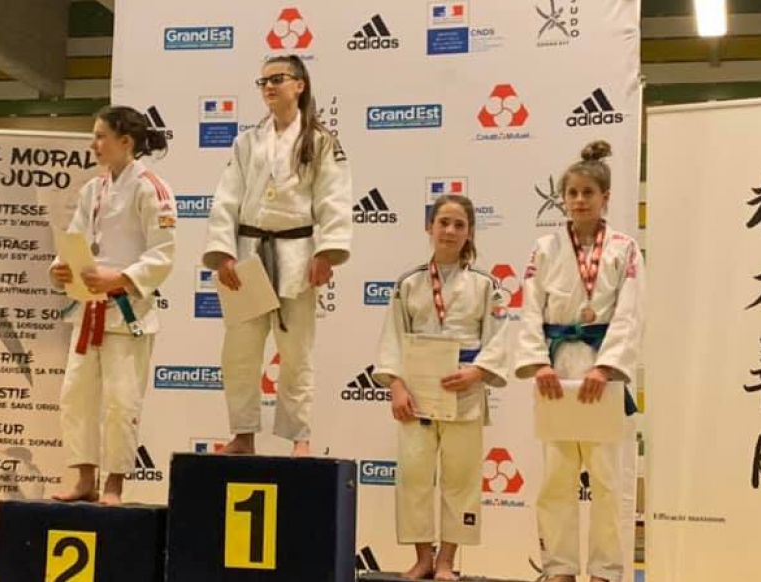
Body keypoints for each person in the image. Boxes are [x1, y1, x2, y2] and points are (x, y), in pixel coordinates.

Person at [203, 55, 353, 457]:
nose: (269, 86)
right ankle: (243, 434)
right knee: (239, 354)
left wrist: (328, 252)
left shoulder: (320, 141)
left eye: (278, 79)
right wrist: (223, 254)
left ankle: (299, 438)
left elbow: (334, 201)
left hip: (297, 256)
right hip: (249, 255)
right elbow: (226, 200)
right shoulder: (247, 141)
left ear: (299, 84)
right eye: (263, 81)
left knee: (296, 353)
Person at [513, 141, 644, 582]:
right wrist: (537, 363)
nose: (580, 201)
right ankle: (560, 568)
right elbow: (530, 307)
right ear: (562, 198)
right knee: (556, 477)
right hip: (556, 371)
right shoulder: (545, 248)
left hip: (601, 372)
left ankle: (606, 569)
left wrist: (606, 368)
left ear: (606, 198)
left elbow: (630, 311)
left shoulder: (625, 249)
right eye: (572, 193)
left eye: (589, 193)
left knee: (608, 478)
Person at [373, 194, 509, 580]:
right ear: (429, 228)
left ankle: (447, 559)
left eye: (458, 225)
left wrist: (478, 372)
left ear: (469, 233)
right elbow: (393, 339)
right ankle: (423, 558)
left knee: (460, 478)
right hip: (416, 396)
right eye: (443, 222)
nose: (449, 231)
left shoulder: (486, 286)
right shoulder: (409, 283)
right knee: (415, 475)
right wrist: (396, 386)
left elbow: (498, 338)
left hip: (463, 391)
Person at [49, 105, 176, 505]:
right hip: (88, 308)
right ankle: (84, 477)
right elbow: (76, 239)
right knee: (76, 394)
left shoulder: (152, 188)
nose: (94, 144)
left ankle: (114, 484)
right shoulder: (93, 190)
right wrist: (61, 267)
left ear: (127, 142)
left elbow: (163, 253)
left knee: (122, 401)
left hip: (126, 310)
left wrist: (119, 278)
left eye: (101, 136)